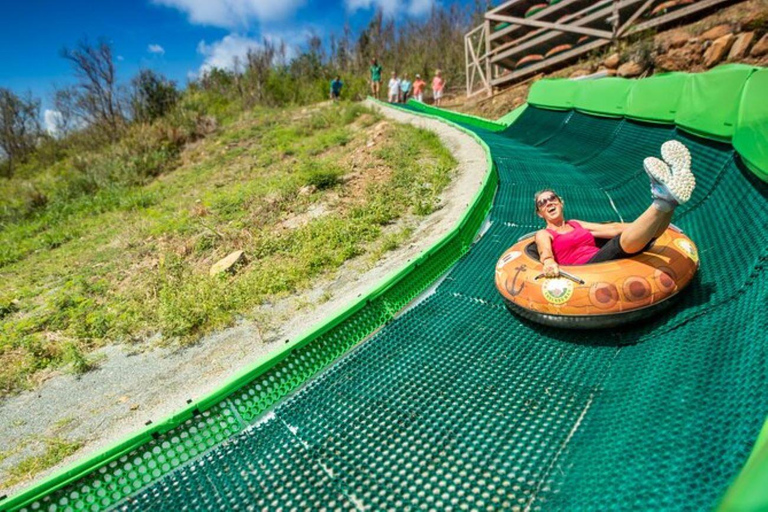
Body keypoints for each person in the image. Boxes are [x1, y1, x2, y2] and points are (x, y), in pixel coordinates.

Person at [534, 141, 696, 277]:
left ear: (560, 203)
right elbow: (545, 251)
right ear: (540, 213)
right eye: (542, 203)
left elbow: (611, 228)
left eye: (552, 198)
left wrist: (648, 226)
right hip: (586, 269)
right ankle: (662, 199)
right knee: (617, 244)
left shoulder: (575, 223)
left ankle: (671, 199)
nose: (548, 203)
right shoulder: (544, 234)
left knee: (646, 236)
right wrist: (549, 262)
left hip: (602, 259)